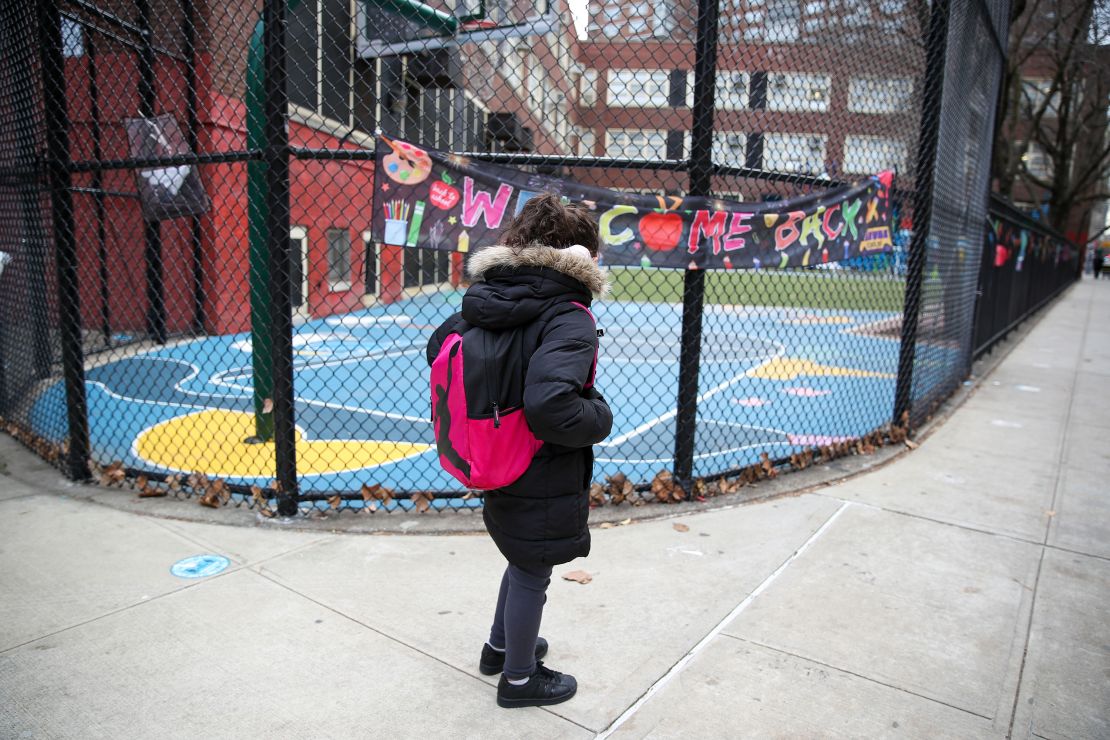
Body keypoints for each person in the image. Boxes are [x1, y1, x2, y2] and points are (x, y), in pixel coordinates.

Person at [426, 194, 613, 708]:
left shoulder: (490, 296)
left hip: (495, 453)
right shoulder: (567, 314)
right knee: (534, 568)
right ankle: (520, 679)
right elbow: (551, 405)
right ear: (578, 257)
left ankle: (499, 647)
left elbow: (438, 346)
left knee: (520, 554)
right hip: (540, 462)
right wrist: (599, 416)